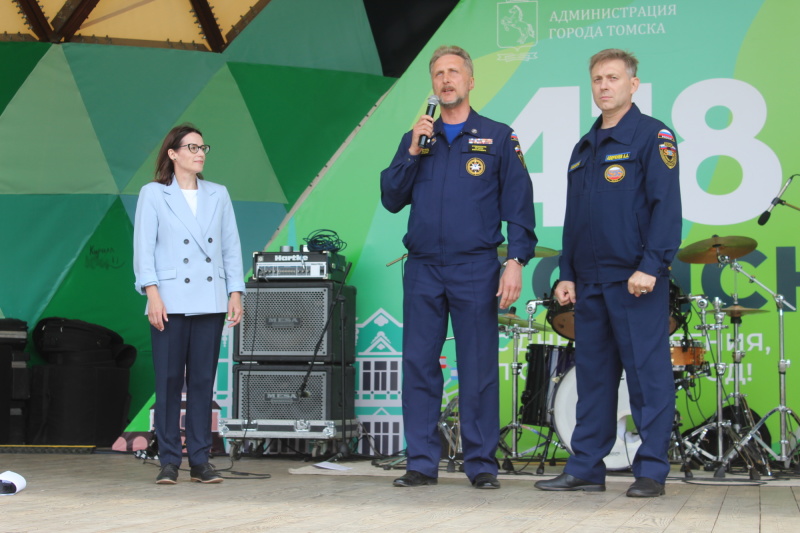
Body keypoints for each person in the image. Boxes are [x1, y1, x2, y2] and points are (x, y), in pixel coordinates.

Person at [381, 45, 537, 489]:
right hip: (424, 267)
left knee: (478, 367)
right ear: (433, 85)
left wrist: (515, 261)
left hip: (476, 267)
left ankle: (482, 464)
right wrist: (412, 150)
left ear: (470, 81)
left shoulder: (498, 137)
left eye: (454, 72)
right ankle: (421, 462)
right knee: (419, 363)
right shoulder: (417, 137)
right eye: (438, 74)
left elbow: (519, 206)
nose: (446, 79)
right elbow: (392, 199)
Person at [534, 49, 682, 497]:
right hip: (591, 285)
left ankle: (651, 470)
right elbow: (574, 219)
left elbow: (666, 209)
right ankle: (585, 468)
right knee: (594, 381)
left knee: (647, 379)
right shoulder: (584, 147)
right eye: (597, 79)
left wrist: (651, 266)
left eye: (613, 78)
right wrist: (566, 273)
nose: (604, 86)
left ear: (632, 85)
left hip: (636, 282)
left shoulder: (652, 136)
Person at [133, 124, 245, 485]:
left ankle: (200, 460)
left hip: (210, 300)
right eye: (192, 147)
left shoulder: (218, 194)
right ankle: (168, 460)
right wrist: (151, 293)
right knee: (167, 382)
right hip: (169, 299)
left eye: (203, 147)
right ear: (173, 154)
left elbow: (230, 246)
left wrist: (236, 291)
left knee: (201, 382)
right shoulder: (154, 194)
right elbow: (143, 248)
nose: (200, 153)